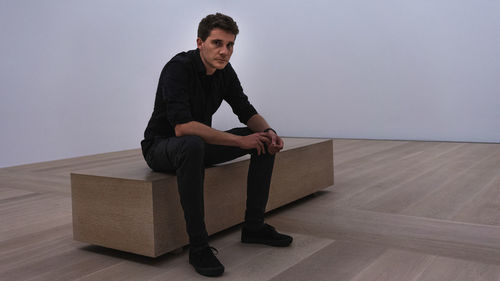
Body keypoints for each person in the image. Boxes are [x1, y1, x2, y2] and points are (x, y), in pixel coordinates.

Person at [141, 12, 292, 277]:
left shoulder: (224, 71)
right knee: (192, 144)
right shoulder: (178, 68)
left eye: (230, 45)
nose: (225, 51)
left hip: (195, 145)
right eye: (217, 43)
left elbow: (245, 109)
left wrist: (268, 131)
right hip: (162, 147)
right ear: (200, 42)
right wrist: (239, 140)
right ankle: (198, 247)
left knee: (262, 139)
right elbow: (182, 128)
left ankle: (254, 227)